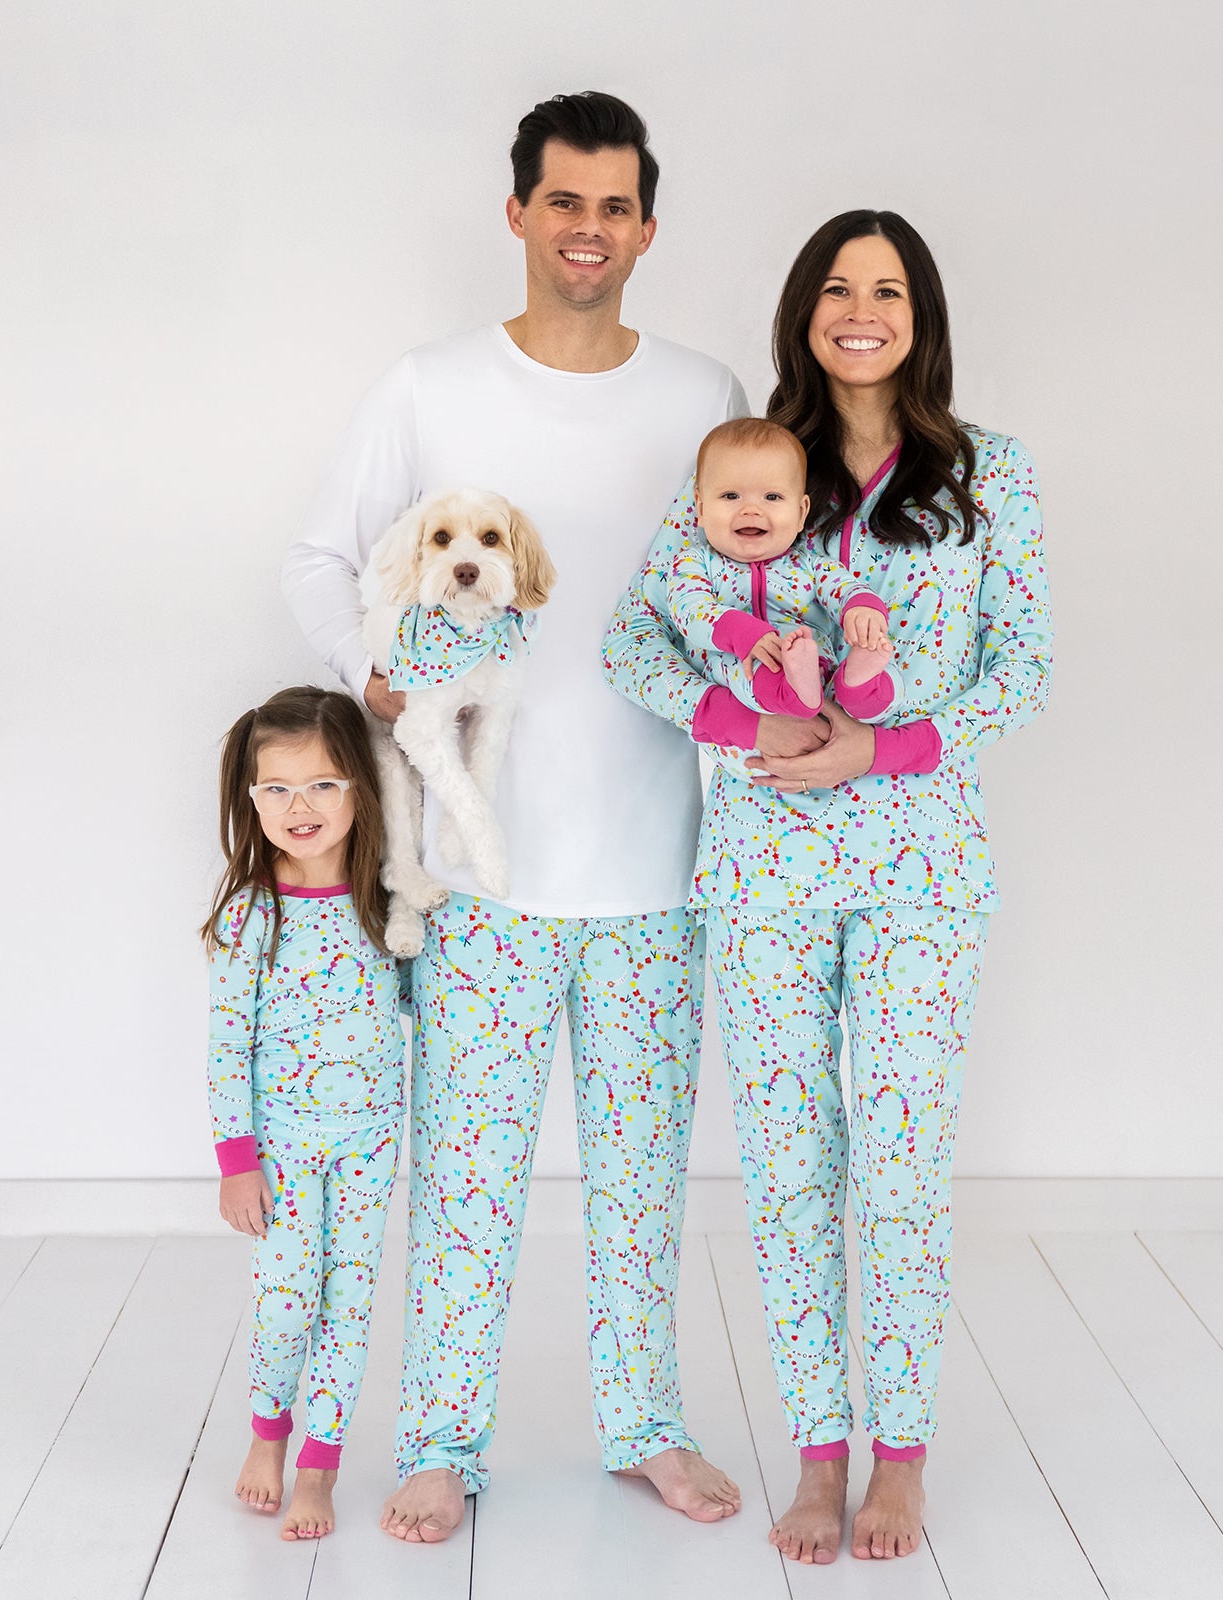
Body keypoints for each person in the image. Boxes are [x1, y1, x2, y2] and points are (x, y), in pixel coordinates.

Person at [281, 92, 747, 1543]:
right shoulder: (429, 386)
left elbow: (744, 582)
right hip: (477, 883)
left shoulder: (704, 392)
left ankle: (647, 1427)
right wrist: (385, 682)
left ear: (648, 227)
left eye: (614, 206)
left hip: (656, 863)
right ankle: (438, 1441)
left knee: (642, 1187)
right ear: (519, 213)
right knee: (467, 1185)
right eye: (564, 201)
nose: (588, 229)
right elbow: (318, 557)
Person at [602, 209, 1053, 1565]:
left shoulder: (989, 476)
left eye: (891, 288)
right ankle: (817, 1449)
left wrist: (884, 745)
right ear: (803, 309)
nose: (864, 309)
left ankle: (899, 1457)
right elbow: (635, 643)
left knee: (904, 1169)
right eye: (839, 288)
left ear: (923, 313)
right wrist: (743, 729)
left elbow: (1021, 667)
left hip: (924, 876)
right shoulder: (748, 471)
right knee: (793, 1171)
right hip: (766, 881)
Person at [204, 686, 403, 1541]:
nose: (301, 807)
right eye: (278, 789)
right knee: (289, 1300)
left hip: (370, 1140)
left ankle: (320, 1467)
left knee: (349, 1302)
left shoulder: (388, 905)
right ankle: (267, 1435)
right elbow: (225, 1048)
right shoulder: (255, 913)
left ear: (361, 787)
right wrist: (237, 1159)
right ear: (252, 800)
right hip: (284, 1141)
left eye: (323, 785)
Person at [665, 415, 903, 777]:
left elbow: (842, 585)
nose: (751, 509)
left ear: (801, 512)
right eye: (730, 496)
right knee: (739, 666)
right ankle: (793, 688)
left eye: (772, 497)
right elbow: (690, 611)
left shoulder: (806, 562)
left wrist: (862, 610)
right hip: (744, 682)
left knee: (889, 680)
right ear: (699, 508)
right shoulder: (695, 563)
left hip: (814, 670)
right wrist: (744, 634)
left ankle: (860, 684)